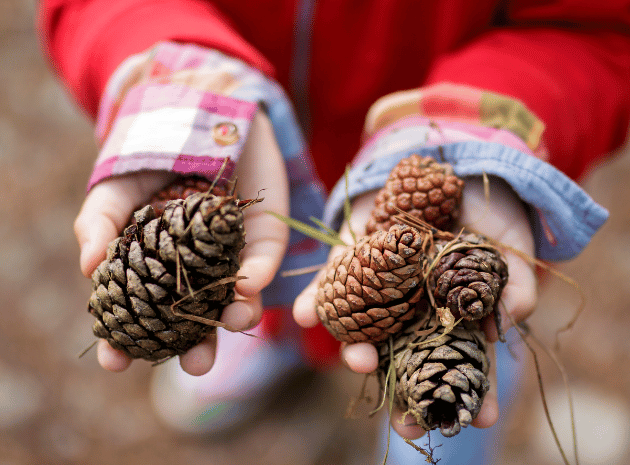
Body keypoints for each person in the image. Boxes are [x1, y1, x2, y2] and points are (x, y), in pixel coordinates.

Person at [38, 0, 630, 462]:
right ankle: (273, 342)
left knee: (463, 350)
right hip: (255, 156)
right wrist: (184, 83)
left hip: (460, 170)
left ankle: (437, 432)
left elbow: (598, 28)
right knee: (264, 277)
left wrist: (477, 136)